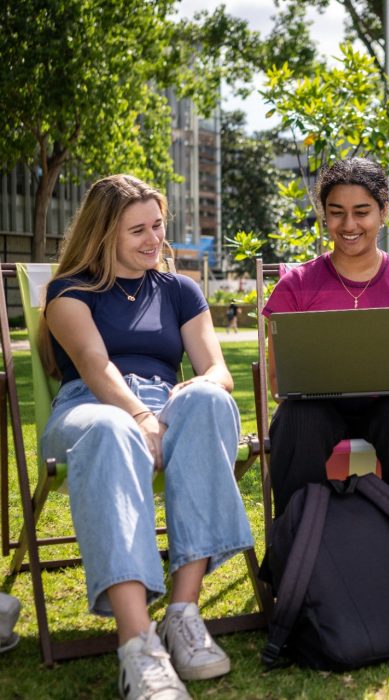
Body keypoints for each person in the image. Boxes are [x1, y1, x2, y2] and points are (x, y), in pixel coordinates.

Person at [39, 175, 253, 700]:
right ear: (102, 234)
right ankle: (139, 646)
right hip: (90, 410)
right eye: (138, 230)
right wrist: (138, 415)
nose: (154, 239)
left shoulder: (180, 290)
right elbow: (94, 367)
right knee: (112, 427)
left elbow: (216, 371)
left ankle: (182, 615)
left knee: (208, 399)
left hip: (168, 402)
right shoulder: (68, 292)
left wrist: (181, 399)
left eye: (158, 225)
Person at [260, 157, 389, 640]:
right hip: (315, 402)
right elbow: (275, 380)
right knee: (295, 422)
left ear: (384, 211)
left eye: (362, 211)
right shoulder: (296, 284)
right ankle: (300, 580)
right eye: (337, 212)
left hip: (388, 402)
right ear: (323, 215)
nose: (349, 224)